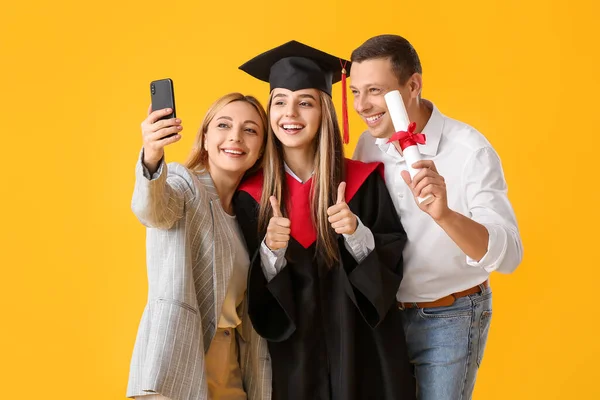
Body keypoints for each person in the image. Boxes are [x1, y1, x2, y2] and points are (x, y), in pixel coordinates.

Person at [233, 40, 416, 400]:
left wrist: (356, 233)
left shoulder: (362, 182)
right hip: (293, 363)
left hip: (364, 355)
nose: (291, 114)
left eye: (305, 102)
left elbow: (390, 272)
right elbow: (251, 298)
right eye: (280, 101)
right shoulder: (251, 196)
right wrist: (271, 251)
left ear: (325, 112)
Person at [350, 34, 524, 400]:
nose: (362, 106)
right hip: (387, 316)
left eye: (375, 91)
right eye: (355, 92)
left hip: (451, 316)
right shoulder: (369, 145)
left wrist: (445, 215)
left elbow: (509, 256)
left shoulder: (469, 150)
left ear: (412, 85)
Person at [127, 93, 272, 400]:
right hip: (179, 359)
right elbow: (152, 209)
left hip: (231, 366)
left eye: (250, 130)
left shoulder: (248, 216)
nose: (235, 136)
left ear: (260, 150)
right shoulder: (184, 185)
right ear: (205, 138)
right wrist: (152, 155)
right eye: (223, 125)